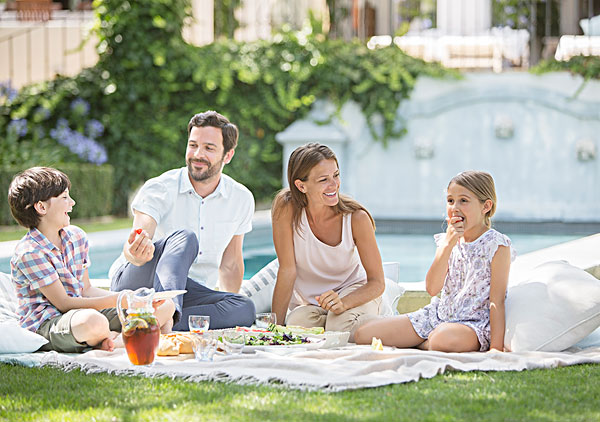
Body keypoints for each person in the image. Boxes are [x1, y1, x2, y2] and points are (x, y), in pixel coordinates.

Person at [109, 110, 256, 331]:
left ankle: (154, 322)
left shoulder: (241, 198)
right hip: (140, 280)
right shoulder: (159, 188)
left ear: (228, 155)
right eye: (193, 145)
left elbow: (232, 263)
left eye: (209, 148)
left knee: (244, 308)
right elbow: (138, 242)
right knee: (185, 238)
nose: (197, 154)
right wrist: (137, 250)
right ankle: (165, 315)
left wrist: (226, 299)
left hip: (190, 291)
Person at [7, 167, 175, 353]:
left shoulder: (76, 237)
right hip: (48, 322)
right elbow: (64, 303)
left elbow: (86, 290)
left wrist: (134, 300)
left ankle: (112, 340)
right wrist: (121, 299)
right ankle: (117, 336)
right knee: (93, 322)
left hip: (82, 312)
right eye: (64, 198)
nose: (72, 203)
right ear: (41, 207)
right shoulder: (30, 253)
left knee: (165, 307)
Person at [355, 171, 515, 352]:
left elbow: (497, 301)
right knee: (363, 335)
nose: (455, 207)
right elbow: (432, 288)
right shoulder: (447, 241)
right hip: (438, 317)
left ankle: (421, 343)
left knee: (442, 338)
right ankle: (425, 343)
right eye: (450, 200)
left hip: (472, 326)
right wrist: (447, 245)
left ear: (485, 206)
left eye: (463, 200)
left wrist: (496, 348)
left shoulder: (497, 245)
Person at [271, 143, 385, 340]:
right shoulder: (286, 208)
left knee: (338, 325)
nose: (334, 185)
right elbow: (287, 270)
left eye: (336, 175)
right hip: (316, 303)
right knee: (296, 324)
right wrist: (272, 330)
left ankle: (398, 326)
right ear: (301, 185)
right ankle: (336, 324)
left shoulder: (356, 218)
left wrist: (344, 302)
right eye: (324, 179)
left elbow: (377, 283)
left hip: (355, 292)